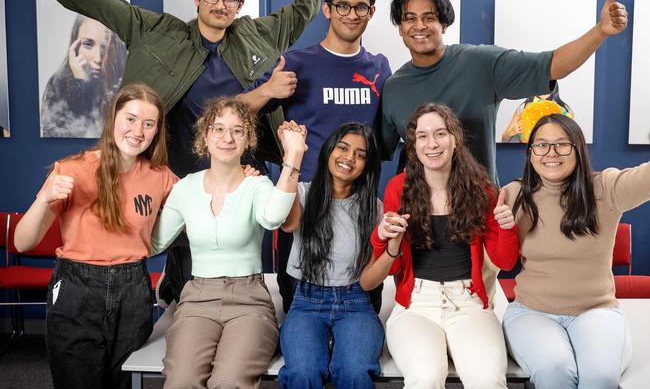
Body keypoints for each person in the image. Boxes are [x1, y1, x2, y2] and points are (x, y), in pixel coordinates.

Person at [8, 0, 326, 303]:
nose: (220, 4)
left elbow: (304, 6)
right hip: (179, 179)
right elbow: (92, 1)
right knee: (186, 281)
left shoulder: (258, 35)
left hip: (242, 177)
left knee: (248, 273)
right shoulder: (156, 31)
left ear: (240, 5)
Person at [238, 0, 391, 310]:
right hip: (302, 209)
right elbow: (231, 114)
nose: (352, 15)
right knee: (299, 318)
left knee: (362, 313)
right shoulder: (295, 63)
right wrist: (268, 91)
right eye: (342, 6)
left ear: (372, 11)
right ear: (327, 8)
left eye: (361, 7)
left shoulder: (380, 68)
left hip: (360, 210)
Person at [14, 83, 177, 389]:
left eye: (148, 123)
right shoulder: (73, 170)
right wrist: (43, 198)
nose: (138, 131)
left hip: (133, 292)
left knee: (125, 382)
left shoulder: (161, 177)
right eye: (130, 119)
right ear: (113, 118)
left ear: (157, 130)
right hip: (77, 290)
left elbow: (203, 198)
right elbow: (22, 242)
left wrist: (241, 177)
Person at [381, 0, 628, 184]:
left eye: (429, 17)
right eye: (409, 18)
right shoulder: (394, 88)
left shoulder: (480, 63)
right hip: (419, 217)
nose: (419, 26)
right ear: (400, 28)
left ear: (443, 24)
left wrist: (601, 31)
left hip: (479, 211)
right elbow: (373, 152)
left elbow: (554, 64)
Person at [360, 103, 519, 389]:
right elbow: (390, 266)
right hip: (416, 305)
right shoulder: (399, 188)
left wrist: (507, 228)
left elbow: (505, 262)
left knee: (487, 381)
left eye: (440, 133)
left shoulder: (482, 190)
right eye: (422, 136)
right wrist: (384, 235)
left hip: (470, 303)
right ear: (414, 144)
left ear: (455, 139)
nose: (432, 143)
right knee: (425, 378)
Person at [151, 98, 307, 388]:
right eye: (218, 129)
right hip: (197, 299)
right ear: (205, 136)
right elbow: (153, 243)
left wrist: (293, 155)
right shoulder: (185, 188)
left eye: (237, 130)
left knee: (228, 381)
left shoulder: (256, 185)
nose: (227, 138)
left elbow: (274, 218)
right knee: (181, 381)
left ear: (248, 138)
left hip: (249, 302)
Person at [501, 113, 647, 389]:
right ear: (531, 152)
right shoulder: (513, 195)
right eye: (541, 145)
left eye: (562, 144)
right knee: (556, 372)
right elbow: (494, 253)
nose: (551, 153)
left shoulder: (606, 188)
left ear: (578, 149)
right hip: (532, 312)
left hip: (596, 311)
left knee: (599, 379)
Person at [277, 122, 384, 388]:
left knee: (355, 371)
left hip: (356, 302)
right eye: (343, 148)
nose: (349, 158)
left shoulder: (374, 208)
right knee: (303, 373)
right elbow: (288, 224)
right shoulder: (301, 192)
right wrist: (293, 153)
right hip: (306, 302)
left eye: (360, 155)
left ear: (366, 166)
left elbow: (374, 272)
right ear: (328, 151)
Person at [41, 14, 127, 138]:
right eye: (88, 44)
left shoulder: (123, 84)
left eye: (104, 47)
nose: (97, 58)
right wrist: (80, 81)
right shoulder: (59, 83)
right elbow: (59, 135)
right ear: (74, 46)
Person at [501, 83, 574, 143]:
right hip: (526, 150)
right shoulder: (523, 108)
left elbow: (574, 137)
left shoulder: (564, 109)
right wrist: (513, 131)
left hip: (553, 150)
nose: (543, 89)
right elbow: (504, 138)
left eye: (547, 84)